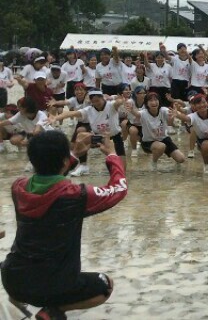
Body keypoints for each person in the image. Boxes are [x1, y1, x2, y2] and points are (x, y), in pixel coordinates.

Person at [1, 131, 127, 320]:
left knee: (23, 269)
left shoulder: (18, 187)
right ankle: (52, 312)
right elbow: (119, 188)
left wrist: (74, 154)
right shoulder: (77, 195)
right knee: (105, 285)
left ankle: (20, 305)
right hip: (55, 285)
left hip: (13, 280)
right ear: (64, 161)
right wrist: (111, 155)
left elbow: (50, 175)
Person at [129, 92, 185, 171]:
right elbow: (137, 114)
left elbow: (170, 121)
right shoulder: (144, 113)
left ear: (159, 101)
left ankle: (175, 161)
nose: (154, 102)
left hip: (164, 139)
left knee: (181, 159)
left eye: (156, 100)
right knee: (160, 146)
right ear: (146, 103)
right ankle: (154, 162)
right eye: (150, 100)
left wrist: (173, 115)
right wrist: (131, 110)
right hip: (149, 142)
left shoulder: (164, 110)